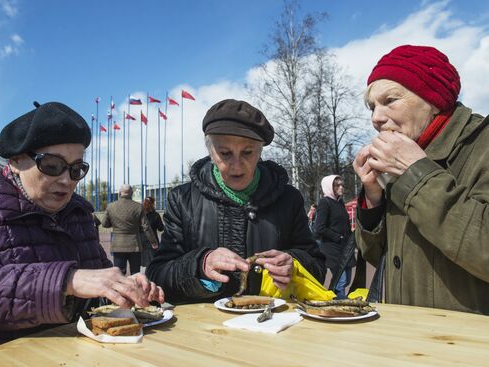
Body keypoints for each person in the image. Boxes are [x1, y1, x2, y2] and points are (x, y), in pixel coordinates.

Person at [0, 101, 164, 366]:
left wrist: (124, 289)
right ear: (14, 161)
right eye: (52, 165)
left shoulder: (79, 213)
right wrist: (66, 280)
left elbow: (96, 282)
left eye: (77, 169)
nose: (68, 180)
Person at [146, 99, 326, 303]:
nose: (237, 165)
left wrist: (294, 265)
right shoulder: (182, 200)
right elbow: (158, 275)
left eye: (247, 152)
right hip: (204, 330)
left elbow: (318, 268)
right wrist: (200, 264)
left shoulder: (288, 198)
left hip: (273, 325)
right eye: (225, 153)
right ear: (211, 151)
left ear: (260, 151)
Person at [353, 44, 489, 314]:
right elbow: (374, 255)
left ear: (433, 100)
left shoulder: (482, 143)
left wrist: (415, 173)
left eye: (390, 100)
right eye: (372, 107)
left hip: (471, 346)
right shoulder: (401, 157)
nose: (376, 118)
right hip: (407, 338)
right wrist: (373, 199)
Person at [313, 175, 354, 299]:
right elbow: (319, 228)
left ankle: (330, 297)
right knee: (340, 281)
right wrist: (338, 237)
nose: (341, 187)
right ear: (330, 187)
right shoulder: (325, 203)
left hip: (345, 247)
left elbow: (344, 224)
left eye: (342, 184)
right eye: (337, 185)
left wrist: (351, 237)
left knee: (346, 280)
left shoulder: (340, 202)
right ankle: (339, 305)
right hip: (332, 249)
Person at [102, 185, 156, 275]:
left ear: (119, 193)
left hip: (118, 245)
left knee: (119, 273)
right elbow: (146, 227)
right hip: (134, 245)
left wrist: (115, 224)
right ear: (132, 193)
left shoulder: (110, 206)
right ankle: (135, 289)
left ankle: (120, 289)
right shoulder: (138, 207)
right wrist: (153, 242)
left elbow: (104, 224)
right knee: (135, 273)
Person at [141, 196, 164, 268]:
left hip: (141, 240)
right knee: (153, 262)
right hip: (153, 240)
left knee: (141, 262)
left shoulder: (140, 214)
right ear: (153, 204)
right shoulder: (155, 215)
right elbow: (160, 228)